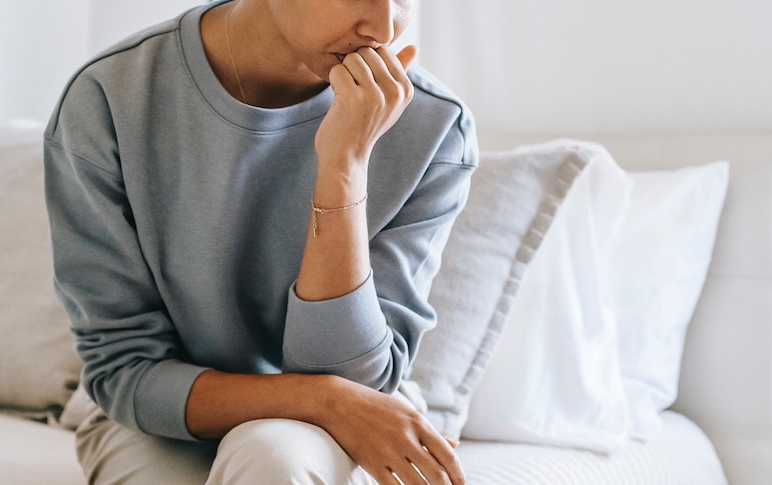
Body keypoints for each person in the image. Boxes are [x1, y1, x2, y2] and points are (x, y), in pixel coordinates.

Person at [44, 0, 477, 483]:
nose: (382, 27)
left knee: (274, 458)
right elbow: (125, 369)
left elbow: (356, 381)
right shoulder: (110, 97)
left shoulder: (434, 126)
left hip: (355, 410)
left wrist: (344, 167)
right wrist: (320, 398)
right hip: (165, 414)